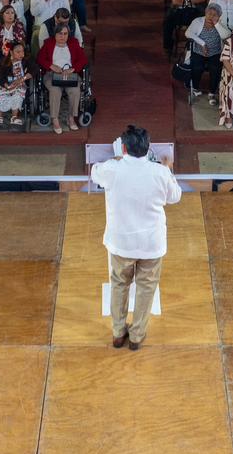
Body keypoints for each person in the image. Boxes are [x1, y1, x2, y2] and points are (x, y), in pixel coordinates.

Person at [89, 125, 181, 351]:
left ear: (123, 148)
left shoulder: (113, 168)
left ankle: (118, 332)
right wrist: (167, 169)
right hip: (151, 243)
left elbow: (94, 172)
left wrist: (118, 160)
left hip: (121, 243)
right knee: (146, 287)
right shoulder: (160, 172)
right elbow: (175, 197)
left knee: (119, 285)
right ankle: (137, 335)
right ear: (148, 148)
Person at [36, 23, 86, 134]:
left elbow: (83, 60)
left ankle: (71, 118)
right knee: (55, 90)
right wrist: (51, 66)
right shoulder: (48, 43)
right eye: (60, 34)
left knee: (75, 90)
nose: (63, 36)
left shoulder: (74, 43)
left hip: (70, 74)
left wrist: (72, 69)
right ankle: (55, 119)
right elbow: (40, 58)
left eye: (65, 34)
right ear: (55, 34)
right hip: (52, 74)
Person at [183, 4, 228, 103]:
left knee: (215, 69)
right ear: (205, 13)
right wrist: (202, 44)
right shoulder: (198, 21)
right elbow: (188, 33)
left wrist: (216, 24)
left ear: (219, 16)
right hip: (198, 51)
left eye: (214, 15)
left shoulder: (220, 23)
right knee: (197, 67)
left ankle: (212, 92)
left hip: (215, 52)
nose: (211, 16)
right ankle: (195, 87)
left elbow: (227, 36)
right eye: (209, 13)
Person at [0, 42, 31, 127]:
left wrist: (22, 79)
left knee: (20, 89)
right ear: (11, 52)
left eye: (22, 51)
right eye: (18, 52)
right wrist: (6, 85)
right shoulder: (4, 60)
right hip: (3, 83)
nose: (21, 54)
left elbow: (35, 69)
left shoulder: (26, 59)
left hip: (17, 83)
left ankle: (14, 117)